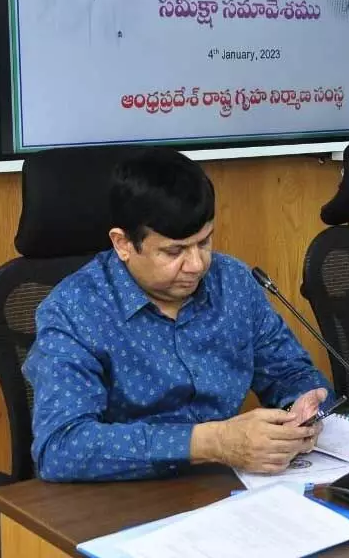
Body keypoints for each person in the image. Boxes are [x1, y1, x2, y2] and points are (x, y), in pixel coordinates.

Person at [23, 148, 331, 482]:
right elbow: (61, 448)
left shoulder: (234, 283)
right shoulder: (75, 309)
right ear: (123, 244)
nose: (197, 265)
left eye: (204, 243)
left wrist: (303, 412)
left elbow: (290, 373)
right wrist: (209, 442)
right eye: (174, 251)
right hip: (122, 499)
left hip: (230, 486)